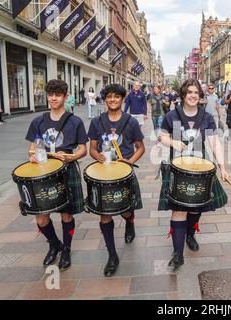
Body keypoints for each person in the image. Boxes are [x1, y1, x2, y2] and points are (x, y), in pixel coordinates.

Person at [158, 79, 229, 269]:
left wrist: (222, 166)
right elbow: (161, 136)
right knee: (178, 209)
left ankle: (190, 233)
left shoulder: (207, 117)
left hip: (201, 168)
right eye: (189, 92)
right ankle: (178, 254)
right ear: (182, 95)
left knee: (196, 208)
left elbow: (215, 143)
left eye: (196, 92)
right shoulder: (172, 115)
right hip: (177, 169)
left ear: (200, 96)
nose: (193, 95)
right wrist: (172, 143)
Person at [26, 79, 88, 271]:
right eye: (51, 94)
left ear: (65, 97)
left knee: (66, 214)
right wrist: (33, 157)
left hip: (66, 169)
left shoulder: (75, 121)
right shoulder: (38, 121)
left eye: (58, 95)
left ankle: (67, 249)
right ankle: (54, 244)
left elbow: (83, 149)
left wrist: (70, 157)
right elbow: (31, 149)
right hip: (43, 172)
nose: (53, 98)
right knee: (41, 216)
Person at [88, 84, 145, 277]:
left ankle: (130, 221)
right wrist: (98, 157)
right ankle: (112, 255)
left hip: (124, 173)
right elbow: (92, 149)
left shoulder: (131, 122)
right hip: (103, 175)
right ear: (105, 100)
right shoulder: (96, 122)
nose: (113, 100)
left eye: (117, 97)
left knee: (126, 210)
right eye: (109, 97)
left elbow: (140, 148)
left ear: (122, 99)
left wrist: (129, 161)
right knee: (105, 214)